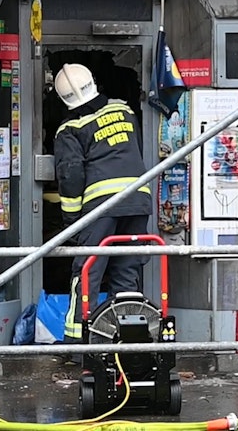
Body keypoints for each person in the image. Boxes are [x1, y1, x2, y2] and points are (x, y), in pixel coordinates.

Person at [52, 63, 152, 356]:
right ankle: (124, 340)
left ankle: (77, 344)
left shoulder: (69, 129)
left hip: (101, 208)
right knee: (127, 271)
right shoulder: (124, 112)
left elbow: (70, 176)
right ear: (93, 82)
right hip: (137, 201)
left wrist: (72, 220)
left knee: (86, 272)